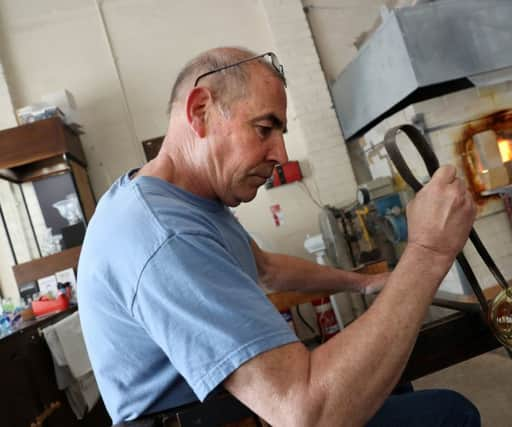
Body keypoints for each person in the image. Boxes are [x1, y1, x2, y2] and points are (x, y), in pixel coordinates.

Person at [78, 47, 480, 426]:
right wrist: (427, 252)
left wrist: (366, 282)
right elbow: (306, 415)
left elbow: (266, 267)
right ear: (200, 111)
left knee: (393, 379)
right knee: (449, 413)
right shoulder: (165, 235)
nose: (281, 154)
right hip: (227, 418)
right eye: (265, 128)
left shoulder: (182, 200)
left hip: (236, 409)